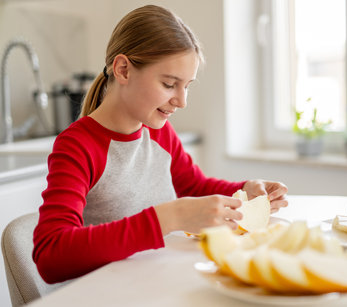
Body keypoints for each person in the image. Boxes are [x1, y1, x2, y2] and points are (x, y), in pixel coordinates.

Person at [33, 4, 288, 284]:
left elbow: (194, 186)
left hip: (156, 282)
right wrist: (168, 217)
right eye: (169, 84)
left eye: (187, 85)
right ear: (123, 70)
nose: (182, 101)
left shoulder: (158, 131)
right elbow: (51, 255)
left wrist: (243, 190)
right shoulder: (78, 145)